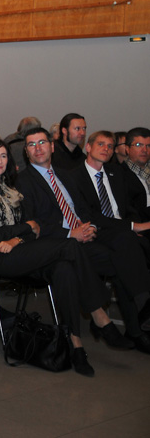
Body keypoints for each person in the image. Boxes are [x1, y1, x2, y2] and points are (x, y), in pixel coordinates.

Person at [0, 139, 132, 377]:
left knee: (64, 268)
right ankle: (99, 315)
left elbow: (38, 226)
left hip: (20, 252)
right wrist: (27, 228)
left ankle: (76, 344)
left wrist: (23, 233)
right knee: (70, 246)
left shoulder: (12, 189)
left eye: (3, 156)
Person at [16, 127, 150, 353]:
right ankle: (110, 321)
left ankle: (136, 324)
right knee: (118, 257)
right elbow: (33, 223)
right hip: (58, 243)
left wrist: (89, 227)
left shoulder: (64, 175)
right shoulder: (23, 181)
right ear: (27, 152)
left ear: (51, 147)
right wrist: (70, 233)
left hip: (83, 237)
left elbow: (84, 209)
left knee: (122, 256)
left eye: (42, 143)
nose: (38, 148)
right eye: (31, 144)